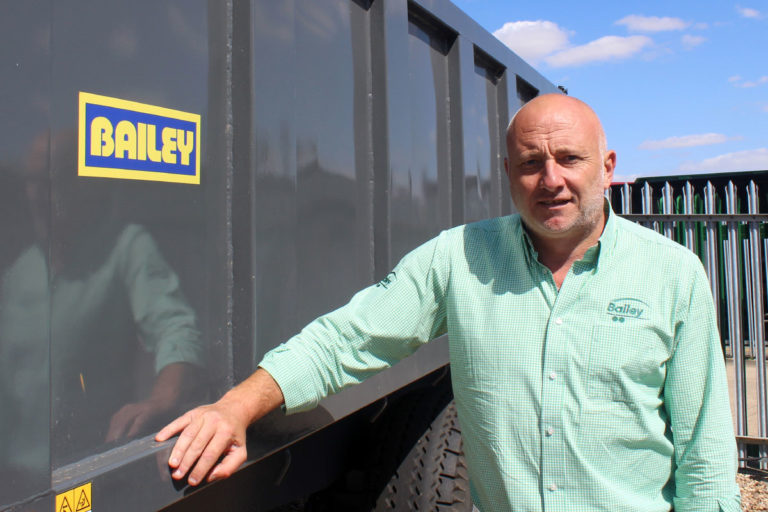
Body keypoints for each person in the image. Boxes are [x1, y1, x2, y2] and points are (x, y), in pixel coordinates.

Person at [157, 94, 741, 511]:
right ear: (508, 173)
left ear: (608, 169)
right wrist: (237, 407)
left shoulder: (673, 275)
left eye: (569, 158)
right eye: (532, 163)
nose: (551, 179)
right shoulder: (458, 260)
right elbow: (346, 339)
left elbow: (704, 456)